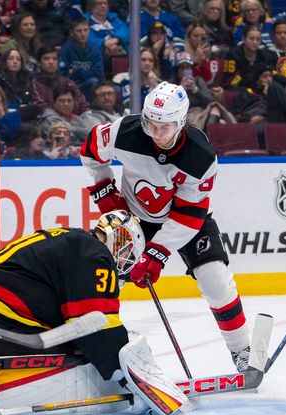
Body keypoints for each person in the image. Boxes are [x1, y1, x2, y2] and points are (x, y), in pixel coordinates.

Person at [0, 209, 191, 415]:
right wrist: (126, 377)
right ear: (119, 241)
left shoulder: (72, 241)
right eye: (126, 255)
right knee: (78, 351)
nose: (123, 264)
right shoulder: (95, 255)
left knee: (69, 335)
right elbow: (96, 325)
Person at [80, 81, 253, 373]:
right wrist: (104, 191)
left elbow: (188, 215)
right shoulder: (125, 131)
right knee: (103, 278)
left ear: (182, 122)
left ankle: (241, 350)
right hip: (134, 218)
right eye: (150, 124)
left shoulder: (200, 157)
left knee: (215, 281)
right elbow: (90, 150)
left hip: (189, 222)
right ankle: (88, 349)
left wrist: (156, 253)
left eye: (165, 127)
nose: (156, 133)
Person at [58, 15, 104, 99]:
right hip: (71, 88)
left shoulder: (95, 50)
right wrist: (87, 73)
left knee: (96, 82)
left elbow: (99, 74)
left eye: (85, 30)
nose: (83, 34)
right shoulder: (66, 50)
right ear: (72, 33)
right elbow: (62, 75)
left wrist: (77, 71)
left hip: (90, 85)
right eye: (79, 31)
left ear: (89, 30)